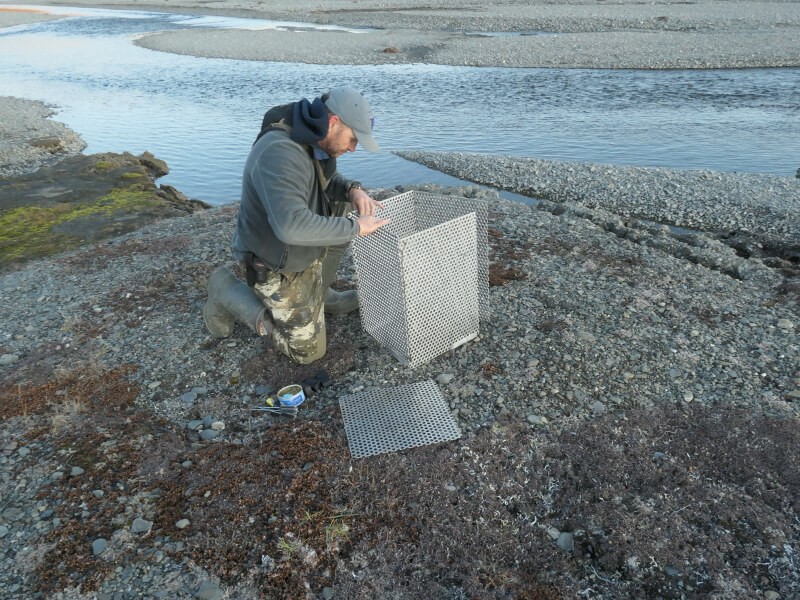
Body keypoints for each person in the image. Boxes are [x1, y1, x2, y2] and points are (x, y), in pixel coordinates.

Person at [203, 87, 390, 364]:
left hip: (299, 246)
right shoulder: (280, 153)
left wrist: (353, 190)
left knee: (343, 206)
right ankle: (226, 290)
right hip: (274, 260)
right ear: (334, 122)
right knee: (307, 352)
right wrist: (356, 228)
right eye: (353, 139)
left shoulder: (315, 138)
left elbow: (325, 183)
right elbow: (290, 227)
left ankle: (320, 292)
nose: (353, 148)